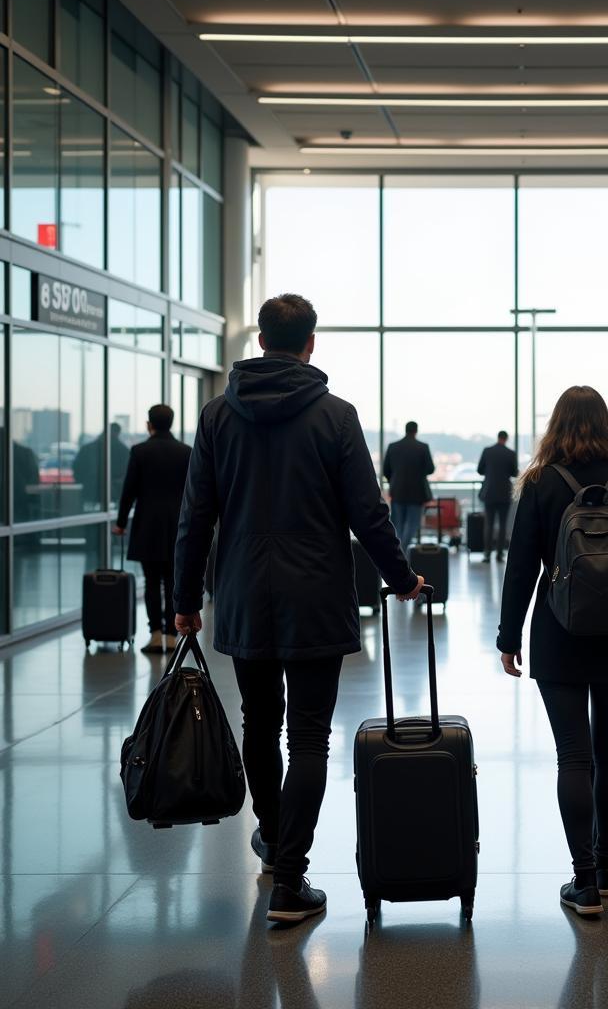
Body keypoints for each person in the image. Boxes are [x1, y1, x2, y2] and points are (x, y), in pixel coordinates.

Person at [173, 294, 423, 924]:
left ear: (260, 341)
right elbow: (368, 512)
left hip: (243, 595)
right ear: (311, 343)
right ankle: (291, 877)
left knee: (260, 724)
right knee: (309, 736)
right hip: (315, 595)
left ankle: (272, 841)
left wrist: (182, 601)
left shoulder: (215, 418)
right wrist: (402, 578)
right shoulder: (336, 417)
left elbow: (195, 515)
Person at [497, 385, 608, 917]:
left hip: (559, 631)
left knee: (573, 754)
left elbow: (521, 568)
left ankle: (584, 882)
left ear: (557, 426)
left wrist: (508, 638)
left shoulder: (542, 485)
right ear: (607, 426)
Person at [113, 405, 192, 653]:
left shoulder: (140, 451)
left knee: (151, 582)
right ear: (172, 423)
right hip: (177, 528)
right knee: (172, 582)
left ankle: (156, 634)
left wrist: (121, 523)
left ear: (149, 424)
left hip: (147, 527)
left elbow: (129, 491)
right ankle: (171, 635)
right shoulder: (186, 452)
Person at [383, 421, 435, 553]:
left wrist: (393, 481)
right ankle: (403, 552)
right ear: (416, 431)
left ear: (405, 430)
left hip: (397, 492)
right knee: (412, 525)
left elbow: (386, 470)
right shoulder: (422, 447)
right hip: (416, 493)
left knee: (397, 525)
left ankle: (398, 552)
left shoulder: (393, 446)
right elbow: (430, 469)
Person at [477, 430, 519, 562]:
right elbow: (514, 473)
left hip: (489, 492)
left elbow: (479, 470)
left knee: (488, 524)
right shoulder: (510, 453)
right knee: (502, 525)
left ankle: (487, 553)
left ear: (498, 437)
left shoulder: (487, 451)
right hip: (504, 493)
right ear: (506, 439)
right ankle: (500, 554)